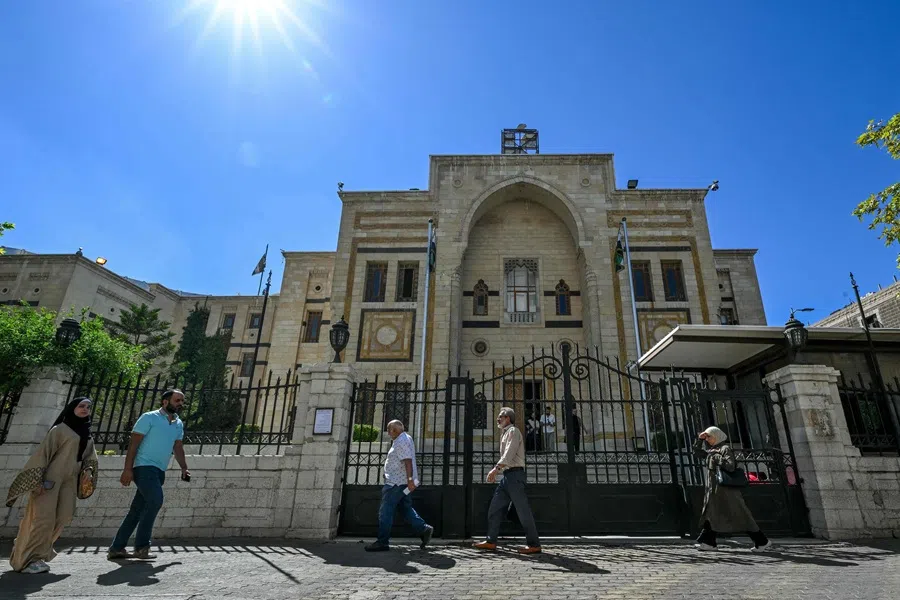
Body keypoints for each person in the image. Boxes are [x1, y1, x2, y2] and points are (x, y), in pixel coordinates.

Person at [5, 397, 98, 573]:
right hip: (49, 481)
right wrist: (36, 481)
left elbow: (89, 458)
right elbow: (42, 455)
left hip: (69, 481)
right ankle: (27, 560)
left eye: (88, 407)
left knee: (63, 517)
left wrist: (89, 471)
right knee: (42, 520)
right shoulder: (60, 430)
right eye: (81, 406)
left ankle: (35, 552)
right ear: (72, 409)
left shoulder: (87, 433)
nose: (85, 409)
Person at [108, 389, 190, 560]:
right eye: (177, 400)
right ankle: (142, 547)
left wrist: (184, 468)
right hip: (144, 467)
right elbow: (133, 444)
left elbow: (178, 447)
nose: (180, 404)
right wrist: (127, 469)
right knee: (155, 501)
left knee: (137, 510)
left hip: (159, 471)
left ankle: (117, 548)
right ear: (165, 401)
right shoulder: (149, 417)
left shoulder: (178, 423)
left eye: (182, 401)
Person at [473, 407, 541, 554]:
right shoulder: (505, 433)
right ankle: (491, 540)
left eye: (500, 417)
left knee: (523, 512)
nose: (498, 419)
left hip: (515, 476)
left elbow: (509, 453)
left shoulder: (513, 432)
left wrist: (495, 469)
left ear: (507, 418)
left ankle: (534, 544)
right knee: (495, 508)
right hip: (507, 477)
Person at [693, 426, 772, 552]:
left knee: (741, 515)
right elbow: (697, 453)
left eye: (709, 437)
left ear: (717, 436)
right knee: (712, 515)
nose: (707, 439)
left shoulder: (724, 449)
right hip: (714, 491)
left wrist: (717, 456)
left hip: (726, 491)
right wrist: (700, 439)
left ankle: (762, 541)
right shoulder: (713, 450)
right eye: (706, 437)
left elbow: (730, 466)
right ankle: (709, 542)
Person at [365, 420, 433, 552]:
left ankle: (382, 542)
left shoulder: (401, 441)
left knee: (385, 512)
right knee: (404, 507)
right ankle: (423, 529)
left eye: (390, 430)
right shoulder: (405, 438)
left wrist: (409, 480)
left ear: (396, 430)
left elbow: (407, 461)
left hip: (396, 484)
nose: (389, 432)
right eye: (389, 430)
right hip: (402, 484)